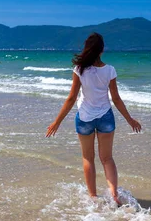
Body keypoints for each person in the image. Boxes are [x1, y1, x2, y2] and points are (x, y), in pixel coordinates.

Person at [46, 32, 142, 205]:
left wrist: (57, 122)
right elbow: (116, 99)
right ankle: (114, 194)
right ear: (102, 50)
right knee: (107, 158)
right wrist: (130, 119)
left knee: (88, 158)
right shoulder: (110, 70)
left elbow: (71, 98)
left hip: (84, 118)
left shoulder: (79, 69)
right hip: (105, 116)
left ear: (87, 48)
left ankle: (93, 197)